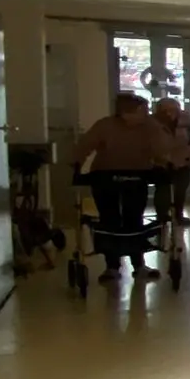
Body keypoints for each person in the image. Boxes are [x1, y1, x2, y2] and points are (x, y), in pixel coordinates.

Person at [72, 93, 167, 282]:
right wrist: (76, 164)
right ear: (126, 113)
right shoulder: (105, 125)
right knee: (109, 220)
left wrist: (163, 163)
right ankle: (112, 266)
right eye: (142, 111)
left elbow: (162, 149)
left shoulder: (150, 127)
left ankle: (139, 265)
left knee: (134, 219)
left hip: (138, 176)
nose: (146, 114)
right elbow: (85, 146)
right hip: (105, 176)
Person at [150, 97, 190, 228]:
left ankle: (178, 215)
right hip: (160, 161)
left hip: (183, 158)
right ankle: (162, 217)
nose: (170, 113)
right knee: (163, 189)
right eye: (166, 110)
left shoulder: (186, 119)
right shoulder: (152, 122)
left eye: (174, 109)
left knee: (181, 189)